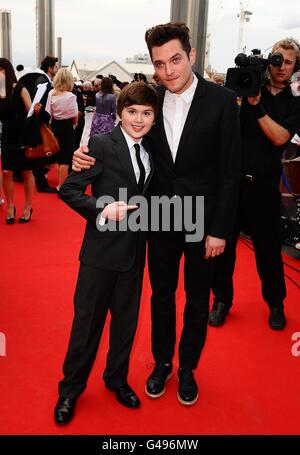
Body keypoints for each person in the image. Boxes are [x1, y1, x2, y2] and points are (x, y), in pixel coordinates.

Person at [72, 22, 241, 406]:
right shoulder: (153, 99)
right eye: (159, 63)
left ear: (191, 56)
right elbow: (117, 137)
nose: (169, 71)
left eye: (176, 59)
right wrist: (83, 155)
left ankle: (187, 369)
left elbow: (231, 172)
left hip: (202, 218)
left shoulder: (221, 100)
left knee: (197, 299)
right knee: (161, 295)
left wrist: (220, 230)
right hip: (160, 216)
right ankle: (163, 362)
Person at [54, 82, 157, 424]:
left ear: (154, 118)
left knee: (126, 324)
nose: (139, 120)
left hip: (133, 254)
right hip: (99, 254)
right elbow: (67, 190)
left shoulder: (151, 150)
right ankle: (69, 390)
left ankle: (116, 379)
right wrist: (101, 208)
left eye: (146, 113)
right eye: (132, 112)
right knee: (87, 325)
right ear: (119, 113)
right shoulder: (100, 144)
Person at [210, 38, 300, 330]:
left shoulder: (294, 103)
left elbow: (280, 138)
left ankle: (275, 304)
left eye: (288, 61)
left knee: (268, 252)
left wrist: (257, 106)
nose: (282, 67)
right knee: (223, 248)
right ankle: (222, 300)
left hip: (264, 188)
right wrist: (240, 96)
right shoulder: (245, 88)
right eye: (277, 59)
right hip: (231, 185)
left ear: (296, 66)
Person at [0, 58, 34, 224]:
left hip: (23, 135)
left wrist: (37, 109)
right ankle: (11, 206)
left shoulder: (20, 88)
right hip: (7, 135)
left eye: (2, 71)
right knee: (6, 171)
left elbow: (31, 111)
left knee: (27, 171)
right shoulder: (0, 92)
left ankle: (28, 206)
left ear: (8, 71)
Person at [45, 68, 78, 188]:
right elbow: (75, 116)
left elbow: (48, 113)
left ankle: (42, 175)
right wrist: (73, 126)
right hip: (67, 127)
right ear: (69, 81)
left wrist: (50, 129)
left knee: (53, 154)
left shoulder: (51, 93)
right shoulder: (71, 96)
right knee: (65, 158)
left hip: (54, 126)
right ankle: (61, 186)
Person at [31, 56, 59, 193]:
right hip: (40, 121)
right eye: (56, 67)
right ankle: (41, 183)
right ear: (50, 68)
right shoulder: (44, 82)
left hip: (40, 120)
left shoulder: (43, 81)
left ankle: (40, 180)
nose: (57, 69)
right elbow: (40, 105)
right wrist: (46, 119)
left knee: (42, 152)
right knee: (41, 152)